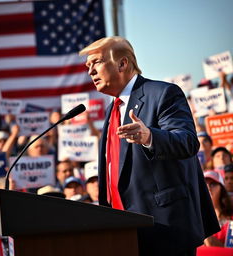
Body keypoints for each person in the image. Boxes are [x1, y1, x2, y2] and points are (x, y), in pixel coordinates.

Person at [79, 36, 220, 256]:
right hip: (122, 232)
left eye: (96, 62)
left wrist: (150, 137)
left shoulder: (162, 93)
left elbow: (188, 142)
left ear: (122, 63)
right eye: (88, 66)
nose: (90, 71)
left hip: (164, 231)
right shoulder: (112, 110)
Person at [203, 170, 233, 247]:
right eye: (204, 185)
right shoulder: (195, 218)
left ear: (221, 188)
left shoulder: (231, 218)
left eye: (213, 184)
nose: (208, 188)